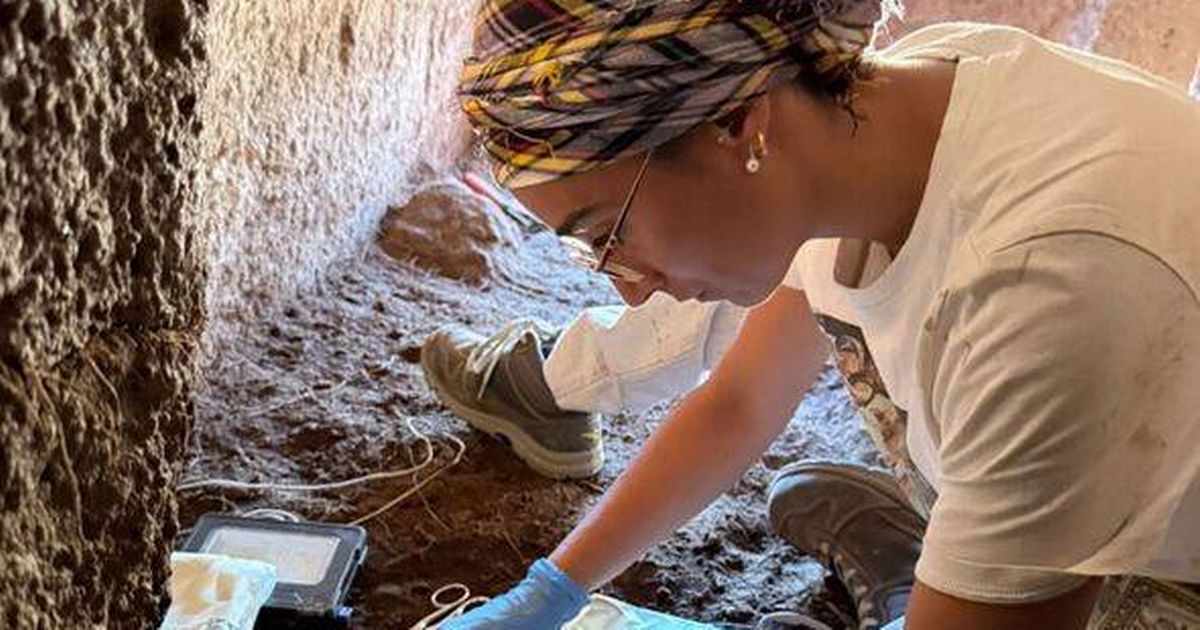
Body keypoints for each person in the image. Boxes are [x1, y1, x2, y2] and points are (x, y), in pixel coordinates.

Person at [425, 0, 1200, 627]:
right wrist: (553, 589)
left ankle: (948, 569)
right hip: (1093, 497)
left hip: (1152, 577)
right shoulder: (872, 129)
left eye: (607, 234)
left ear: (736, 125)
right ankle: (951, 557)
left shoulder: (1049, 285)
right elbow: (737, 403)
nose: (628, 288)